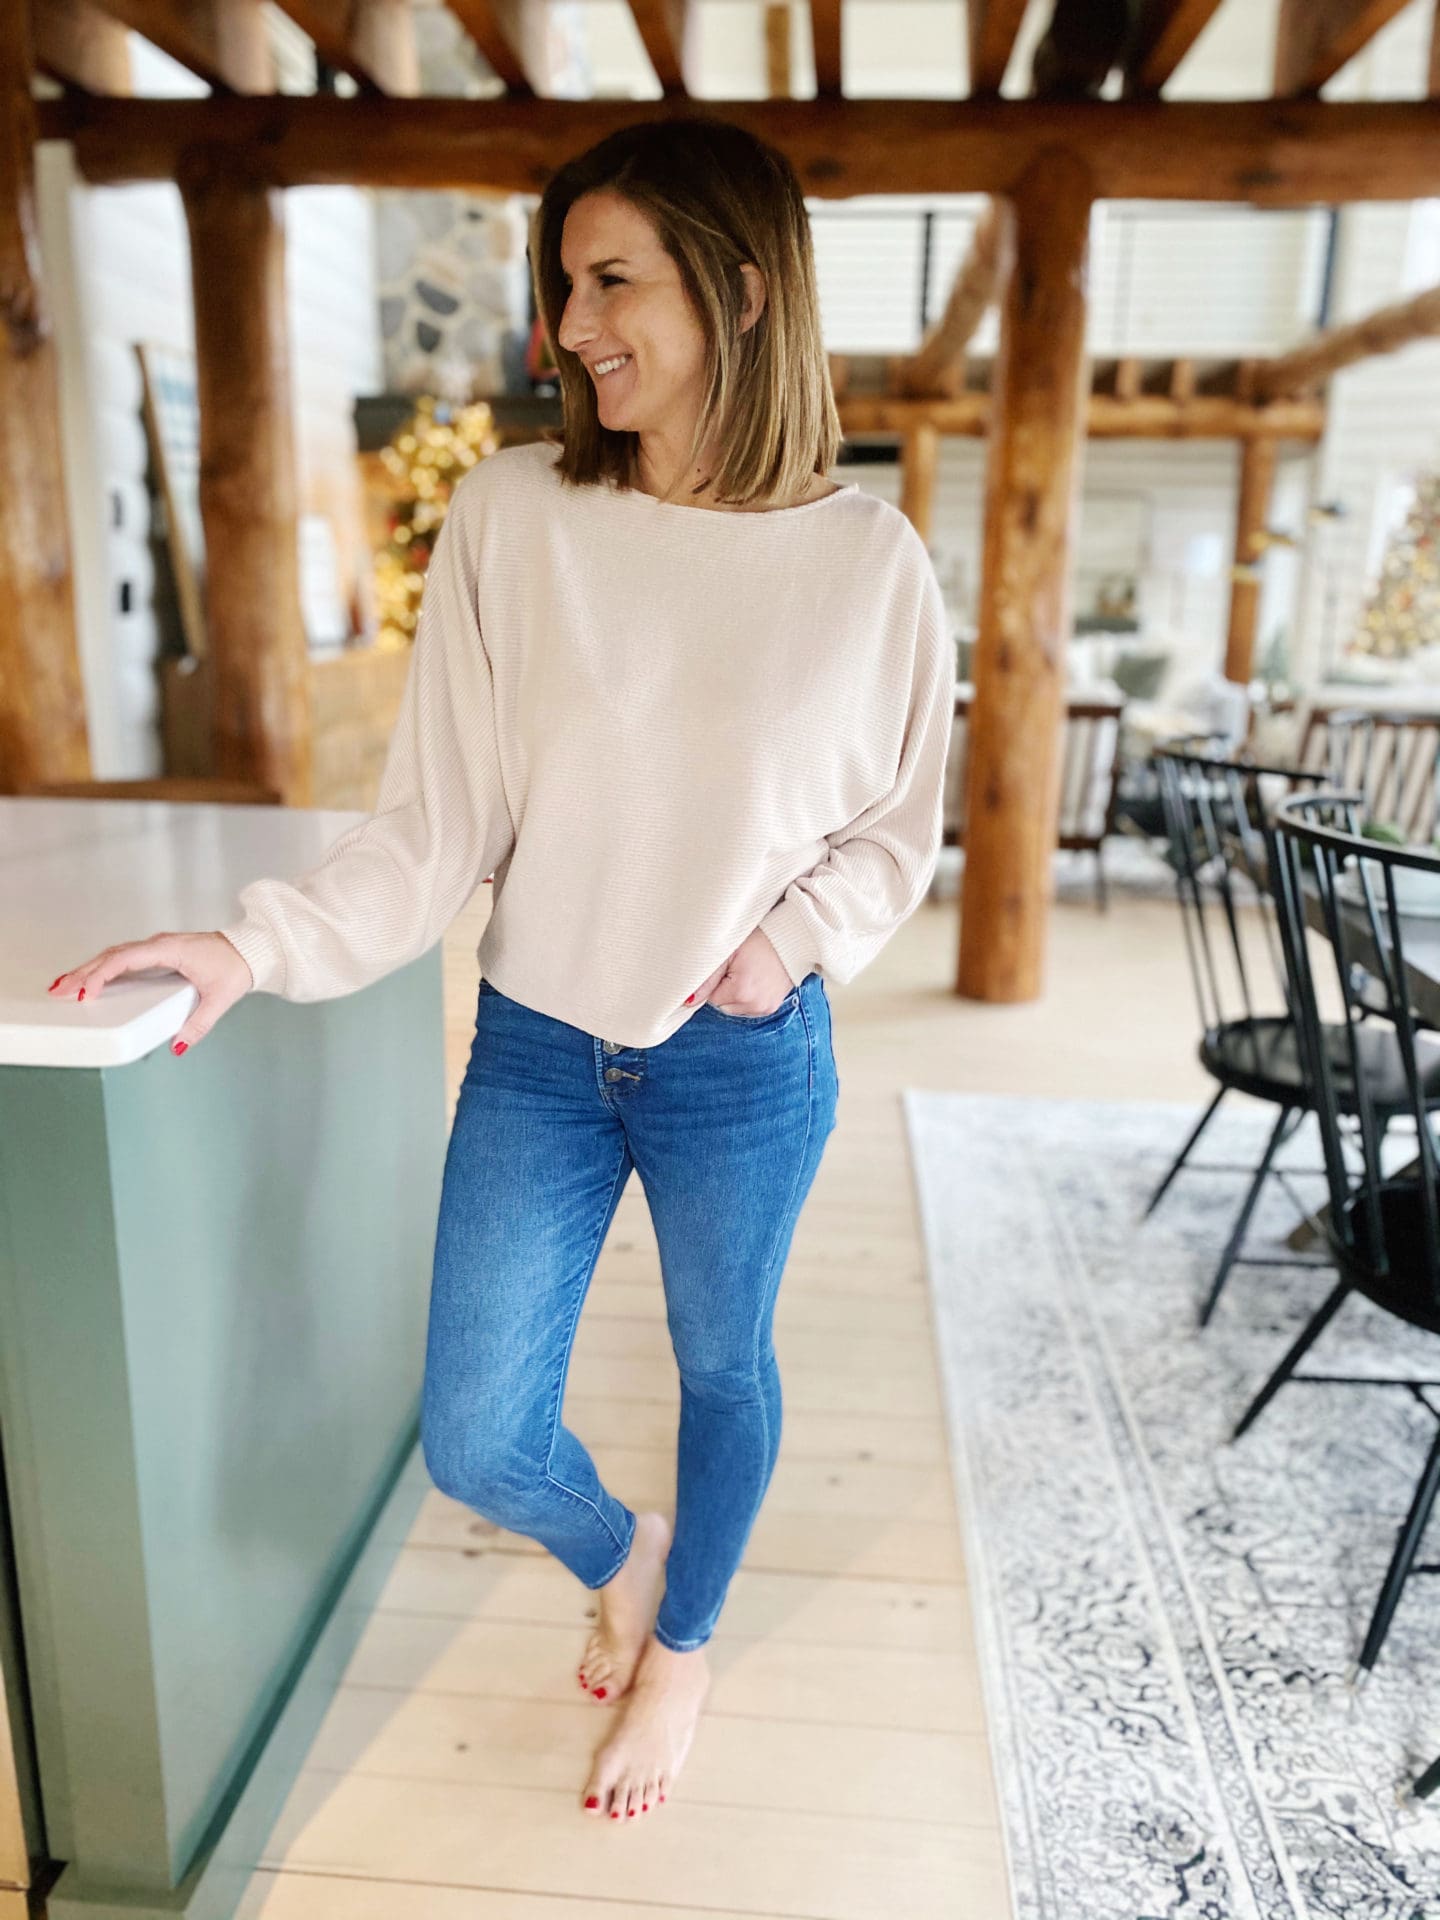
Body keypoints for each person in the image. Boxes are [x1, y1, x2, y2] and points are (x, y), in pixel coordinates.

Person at [46, 115, 955, 1823]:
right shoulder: (515, 517)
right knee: (474, 1433)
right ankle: (630, 1556)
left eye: (613, 281)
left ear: (744, 289)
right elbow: (434, 825)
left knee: (724, 1366)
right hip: (541, 1044)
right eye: (563, 283)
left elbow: (897, 832)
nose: (569, 324)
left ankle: (683, 1648)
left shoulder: (869, 564)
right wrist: (248, 946)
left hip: (742, 1058)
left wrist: (782, 948)